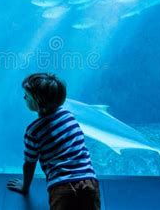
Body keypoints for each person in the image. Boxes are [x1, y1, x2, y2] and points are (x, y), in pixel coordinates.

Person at [7, 73, 100, 210]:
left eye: (27, 96)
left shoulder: (33, 131)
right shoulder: (69, 117)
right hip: (89, 181)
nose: (24, 97)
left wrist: (25, 187)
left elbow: (29, 164)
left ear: (37, 101)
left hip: (61, 187)